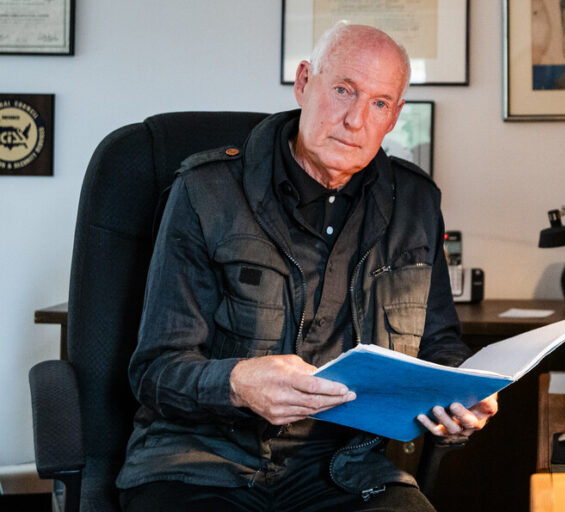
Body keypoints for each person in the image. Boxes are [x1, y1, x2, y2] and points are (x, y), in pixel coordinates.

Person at [114, 23, 497, 512]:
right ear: (303, 83)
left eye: (379, 103)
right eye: (343, 90)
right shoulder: (205, 192)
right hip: (202, 460)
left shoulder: (415, 201)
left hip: (346, 467)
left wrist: (462, 393)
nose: (356, 120)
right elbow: (155, 370)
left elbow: (438, 344)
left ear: (394, 116)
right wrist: (237, 384)